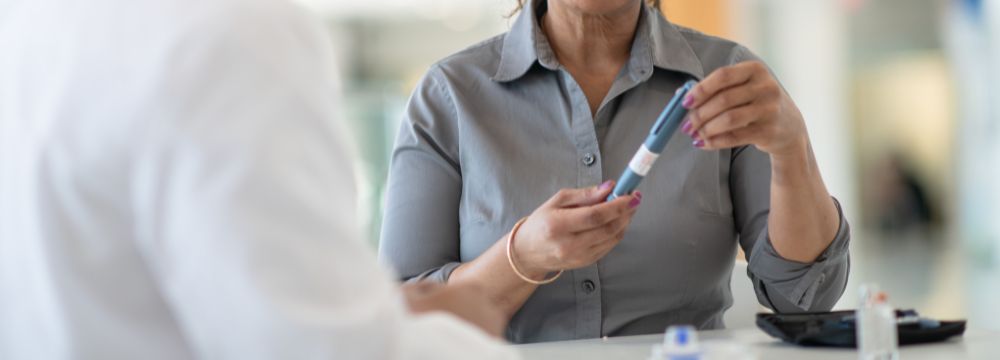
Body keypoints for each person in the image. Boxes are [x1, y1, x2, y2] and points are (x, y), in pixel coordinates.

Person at [0, 0, 519, 358]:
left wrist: (367, 313)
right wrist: (459, 322)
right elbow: (320, 351)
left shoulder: (34, 19)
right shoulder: (232, 33)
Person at [379, 0, 851, 343]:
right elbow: (401, 317)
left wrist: (793, 149)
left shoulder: (726, 77)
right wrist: (521, 256)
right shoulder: (449, 98)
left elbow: (805, 298)